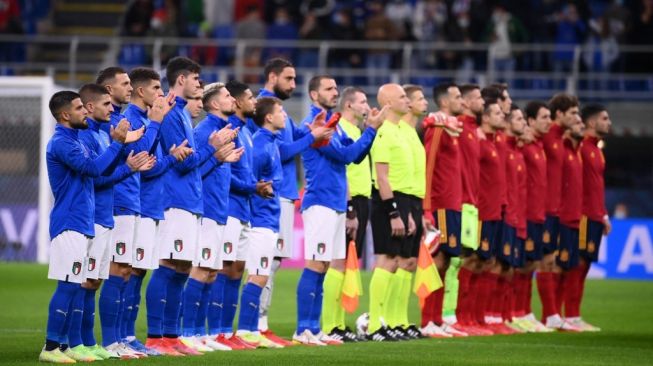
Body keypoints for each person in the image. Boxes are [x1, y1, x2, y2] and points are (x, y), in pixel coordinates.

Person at [144, 56, 238, 356]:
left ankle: (172, 337)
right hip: (175, 200)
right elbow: (182, 164)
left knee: (183, 267)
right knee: (169, 265)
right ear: (181, 79)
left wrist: (214, 154)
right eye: (196, 78)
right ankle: (156, 337)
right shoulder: (171, 111)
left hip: (191, 202)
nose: (200, 83)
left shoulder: (183, 114)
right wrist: (212, 148)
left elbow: (192, 163)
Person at [39, 90, 133, 363]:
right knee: (68, 284)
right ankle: (50, 347)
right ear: (65, 114)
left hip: (81, 221)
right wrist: (117, 144)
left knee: (75, 282)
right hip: (69, 221)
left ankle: (65, 345)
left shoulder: (75, 140)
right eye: (80, 108)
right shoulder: (61, 143)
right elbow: (93, 170)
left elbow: (96, 169)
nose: (85, 111)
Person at [294, 75, 384, 345]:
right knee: (316, 263)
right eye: (329, 89)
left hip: (334, 203)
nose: (335, 92)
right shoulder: (314, 124)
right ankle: (303, 329)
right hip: (320, 201)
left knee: (324, 267)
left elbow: (354, 156)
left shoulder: (335, 125)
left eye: (335, 88)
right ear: (313, 95)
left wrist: (370, 128)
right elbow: (344, 156)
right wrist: (371, 130)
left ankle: (315, 328)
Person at [72, 83, 154, 361]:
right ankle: (84, 342)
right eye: (107, 104)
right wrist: (128, 165)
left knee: (99, 279)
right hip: (101, 213)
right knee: (87, 279)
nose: (113, 109)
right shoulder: (92, 137)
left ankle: (107, 340)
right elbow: (97, 176)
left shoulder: (105, 135)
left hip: (112, 213)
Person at [95, 66, 173, 358]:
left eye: (130, 82)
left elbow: (150, 161)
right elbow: (137, 154)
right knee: (117, 271)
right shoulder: (122, 120)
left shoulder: (135, 117)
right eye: (124, 83)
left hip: (136, 203)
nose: (128, 87)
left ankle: (125, 337)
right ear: (108, 89)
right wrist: (155, 124)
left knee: (130, 271)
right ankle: (111, 340)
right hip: (121, 203)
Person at [256, 58, 331, 344]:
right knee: (269, 260)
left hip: (285, 193)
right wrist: (310, 136)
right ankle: (259, 324)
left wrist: (312, 130)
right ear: (272, 77)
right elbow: (282, 152)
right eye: (288, 79)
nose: (293, 85)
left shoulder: (280, 109)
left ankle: (262, 323)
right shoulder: (264, 108)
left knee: (274, 260)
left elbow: (295, 136)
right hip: (274, 193)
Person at [208, 79, 273, 350]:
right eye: (248, 97)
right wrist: (253, 187)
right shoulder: (229, 131)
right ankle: (213, 332)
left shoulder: (246, 130)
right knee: (223, 268)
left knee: (236, 270)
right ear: (235, 102)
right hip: (230, 209)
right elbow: (228, 176)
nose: (254, 101)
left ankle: (226, 331)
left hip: (244, 209)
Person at [179, 82, 242, 353]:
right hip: (204, 211)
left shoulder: (226, 131)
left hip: (219, 210)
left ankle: (201, 333)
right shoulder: (205, 130)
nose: (233, 100)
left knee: (212, 272)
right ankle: (187, 331)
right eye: (228, 96)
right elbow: (193, 172)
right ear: (214, 103)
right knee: (200, 269)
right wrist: (217, 157)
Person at [232, 96, 287, 348]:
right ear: (268, 117)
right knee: (257, 275)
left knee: (261, 274)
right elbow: (248, 181)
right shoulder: (260, 147)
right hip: (260, 218)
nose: (285, 115)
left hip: (270, 218)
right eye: (281, 111)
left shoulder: (272, 143)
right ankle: (246, 330)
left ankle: (251, 329)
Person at [324, 86, 372, 342]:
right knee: (337, 262)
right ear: (350, 105)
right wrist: (350, 206)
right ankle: (330, 324)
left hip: (364, 200)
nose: (367, 106)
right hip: (348, 201)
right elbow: (344, 167)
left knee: (347, 264)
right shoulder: (340, 127)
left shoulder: (356, 130)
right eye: (363, 101)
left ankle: (339, 324)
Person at [421, 83, 466, 338]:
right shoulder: (437, 128)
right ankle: (427, 320)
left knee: (447, 262)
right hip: (440, 204)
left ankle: (437, 319)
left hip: (454, 204)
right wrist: (427, 208)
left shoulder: (452, 128)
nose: (462, 101)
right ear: (445, 102)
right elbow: (429, 167)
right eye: (458, 97)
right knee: (436, 262)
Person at [450, 84, 492, 336]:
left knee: (474, 260)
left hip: (473, 204)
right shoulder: (458, 128)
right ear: (465, 103)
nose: (482, 102)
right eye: (477, 98)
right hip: (463, 202)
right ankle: (456, 317)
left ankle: (469, 317)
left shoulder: (474, 130)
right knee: (461, 260)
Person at [539, 93, 582, 330]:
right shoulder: (547, 137)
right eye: (573, 113)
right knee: (545, 262)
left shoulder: (563, 141)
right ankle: (550, 314)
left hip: (557, 211)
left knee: (555, 262)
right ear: (560, 114)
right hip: (544, 209)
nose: (577, 118)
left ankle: (552, 315)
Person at [575, 104, 611, 331]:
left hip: (596, 215)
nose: (609, 122)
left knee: (584, 265)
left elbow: (596, 186)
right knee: (576, 265)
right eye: (605, 118)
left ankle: (572, 315)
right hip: (584, 216)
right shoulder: (581, 148)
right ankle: (567, 315)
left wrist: (604, 214)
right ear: (591, 122)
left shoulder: (597, 149)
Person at [521, 101, 554, 332]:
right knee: (520, 265)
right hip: (524, 213)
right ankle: (514, 312)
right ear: (531, 121)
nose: (548, 121)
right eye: (544, 117)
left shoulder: (539, 145)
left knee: (530, 264)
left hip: (538, 214)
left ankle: (524, 311)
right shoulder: (523, 145)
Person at [557, 112, 585, 332]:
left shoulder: (579, 152)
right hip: (562, 216)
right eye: (577, 120)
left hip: (578, 217)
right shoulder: (562, 147)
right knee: (557, 266)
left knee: (571, 266)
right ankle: (554, 314)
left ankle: (567, 315)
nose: (581, 125)